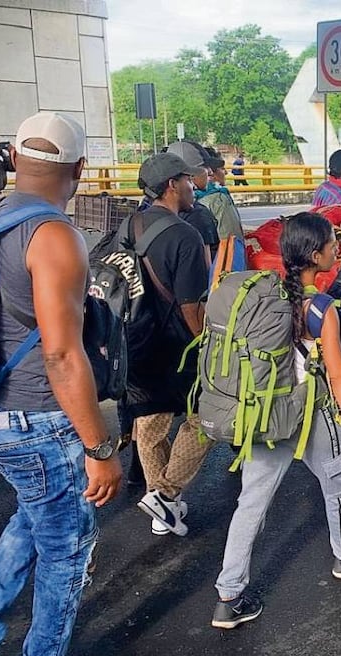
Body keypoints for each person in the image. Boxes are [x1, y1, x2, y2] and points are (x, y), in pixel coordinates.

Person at [0, 111, 123, 656]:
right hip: (35, 419)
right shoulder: (56, 236)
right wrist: (99, 448)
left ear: (13, 160)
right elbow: (62, 355)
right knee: (65, 548)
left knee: (34, 509)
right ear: (81, 169)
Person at [213, 212, 341, 628]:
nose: (335, 249)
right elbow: (339, 377)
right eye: (330, 244)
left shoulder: (261, 292)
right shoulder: (321, 309)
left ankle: (229, 596)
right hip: (310, 412)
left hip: (264, 410)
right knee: (337, 482)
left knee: (250, 503)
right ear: (314, 254)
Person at [125, 153, 213, 537]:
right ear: (171, 186)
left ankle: (163, 507)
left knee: (149, 426)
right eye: (187, 180)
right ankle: (165, 493)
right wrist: (207, 347)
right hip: (178, 348)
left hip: (136, 340)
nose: (192, 185)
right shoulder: (185, 235)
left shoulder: (131, 224)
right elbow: (192, 306)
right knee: (204, 420)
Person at [167, 141, 221, 257]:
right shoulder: (197, 214)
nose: (210, 172)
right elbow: (206, 268)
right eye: (205, 167)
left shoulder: (143, 213)